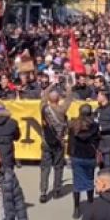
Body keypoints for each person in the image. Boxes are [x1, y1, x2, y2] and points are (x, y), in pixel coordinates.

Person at [39, 75, 73, 203]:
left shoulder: (44, 109)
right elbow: (69, 99)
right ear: (59, 99)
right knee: (58, 167)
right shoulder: (61, 110)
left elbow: (43, 97)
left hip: (46, 142)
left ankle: (43, 192)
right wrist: (68, 88)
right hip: (59, 142)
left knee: (45, 168)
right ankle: (57, 190)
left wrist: (52, 84)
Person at [69, 103, 101, 219]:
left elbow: (71, 141)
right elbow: (98, 140)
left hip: (77, 156)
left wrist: (70, 154)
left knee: (77, 183)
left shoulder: (73, 125)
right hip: (90, 156)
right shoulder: (95, 126)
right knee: (89, 180)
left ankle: (76, 209)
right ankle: (90, 205)